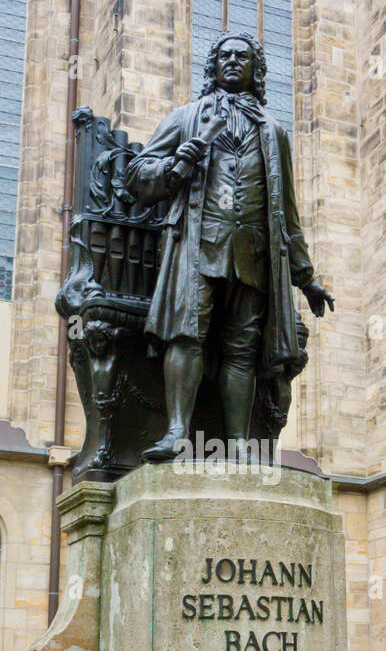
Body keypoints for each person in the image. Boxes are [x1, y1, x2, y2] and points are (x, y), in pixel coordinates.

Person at [124, 32, 334, 461]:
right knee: (186, 333)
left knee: (244, 347)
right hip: (197, 247)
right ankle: (177, 433)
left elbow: (287, 214)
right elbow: (137, 174)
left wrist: (305, 278)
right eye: (226, 56)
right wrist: (176, 163)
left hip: (252, 254)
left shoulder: (273, 133)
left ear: (256, 69)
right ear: (213, 65)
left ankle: (238, 443)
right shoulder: (187, 118)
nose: (234, 61)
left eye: (243, 56)